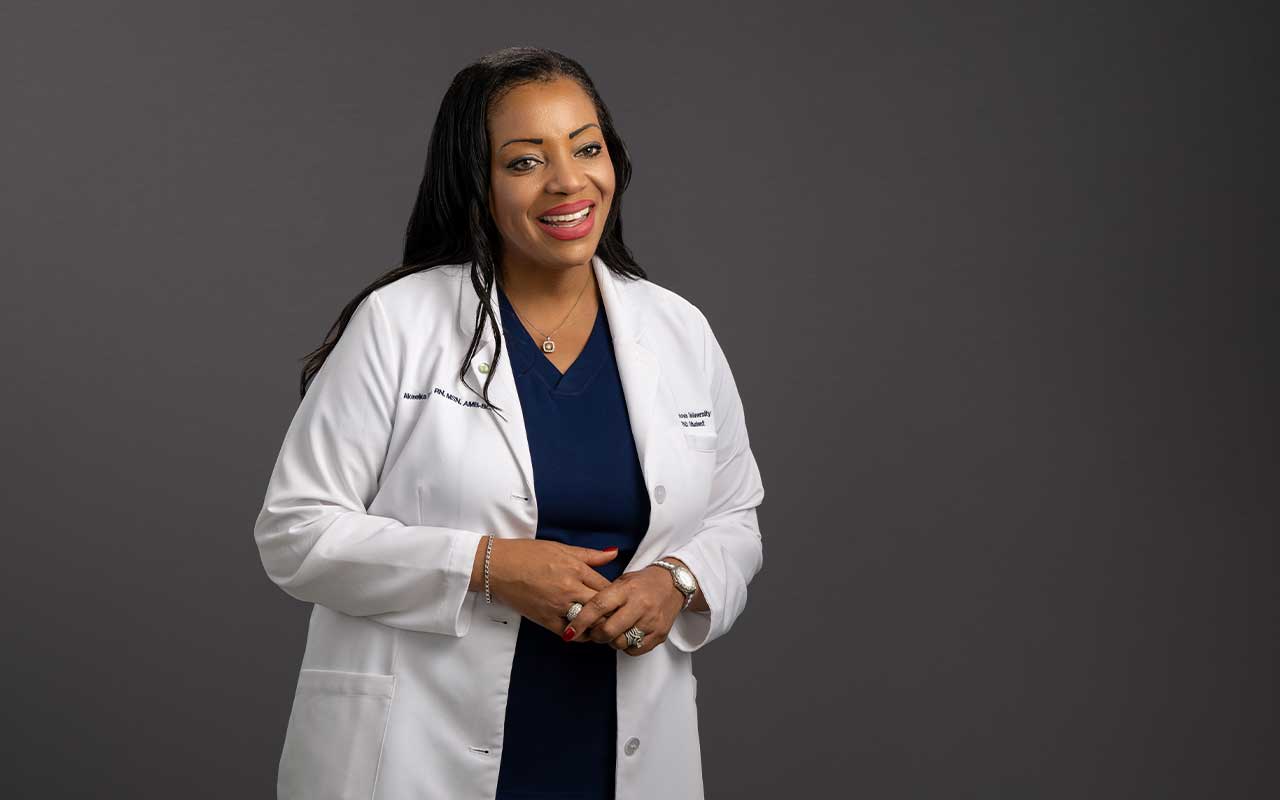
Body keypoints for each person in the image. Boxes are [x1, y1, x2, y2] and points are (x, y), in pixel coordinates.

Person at [254, 46, 765, 800]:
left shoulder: (678, 330)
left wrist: (678, 581)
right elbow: (295, 531)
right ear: (477, 183)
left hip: (614, 749)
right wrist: (488, 566)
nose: (568, 181)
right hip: (417, 755)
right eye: (525, 162)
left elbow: (735, 518)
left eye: (586, 148)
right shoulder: (400, 323)